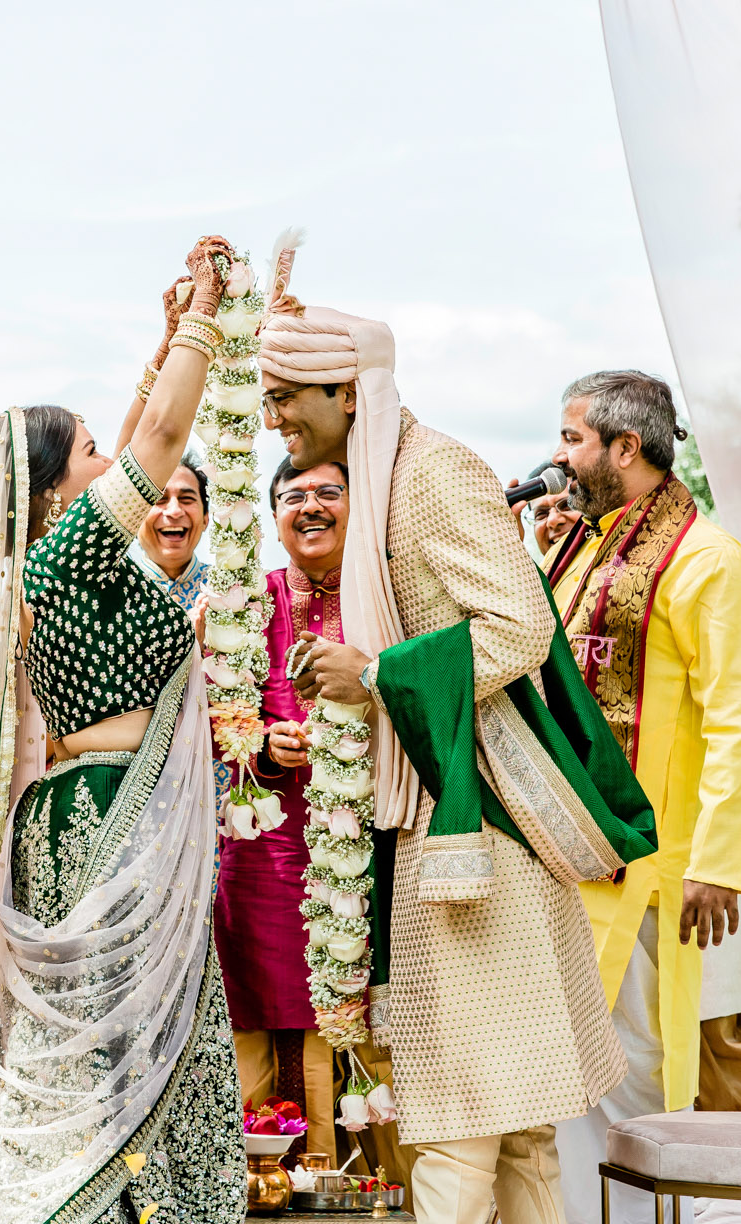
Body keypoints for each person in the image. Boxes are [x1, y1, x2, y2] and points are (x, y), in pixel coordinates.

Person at [0, 238, 248, 1224]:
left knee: (115, 1053)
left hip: (85, 814)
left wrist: (163, 347)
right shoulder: (69, 555)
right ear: (60, 493)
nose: (113, 459)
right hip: (106, 822)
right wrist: (206, 309)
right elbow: (156, 440)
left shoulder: (66, 557)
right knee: (109, 1058)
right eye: (89, 454)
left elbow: (134, 433)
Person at [263, 303, 657, 1224]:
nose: (275, 418)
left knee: (462, 1118)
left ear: (341, 389)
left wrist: (378, 673)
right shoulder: (381, 479)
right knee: (514, 1122)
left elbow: (518, 627)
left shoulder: (430, 474)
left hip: (481, 828)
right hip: (443, 816)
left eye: (285, 398)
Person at [524, 372, 741, 1224]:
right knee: (572, 1080)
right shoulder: (589, 546)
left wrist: (718, 866)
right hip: (575, 861)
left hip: (660, 877)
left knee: (636, 1075)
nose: (558, 456)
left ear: (625, 449)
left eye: (572, 439)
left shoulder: (709, 560)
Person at [218, 458, 348, 1159]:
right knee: (261, 1005)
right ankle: (265, 1178)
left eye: (329, 491)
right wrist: (263, 742)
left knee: (368, 1015)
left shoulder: (385, 598)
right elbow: (213, 715)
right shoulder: (249, 602)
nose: (311, 506)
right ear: (273, 517)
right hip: (266, 848)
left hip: (373, 842)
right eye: (293, 496)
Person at [137, 460, 213, 611]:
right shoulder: (110, 588)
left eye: (187, 499)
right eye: (159, 499)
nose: (174, 511)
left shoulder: (230, 590)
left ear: (206, 518)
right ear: (134, 518)